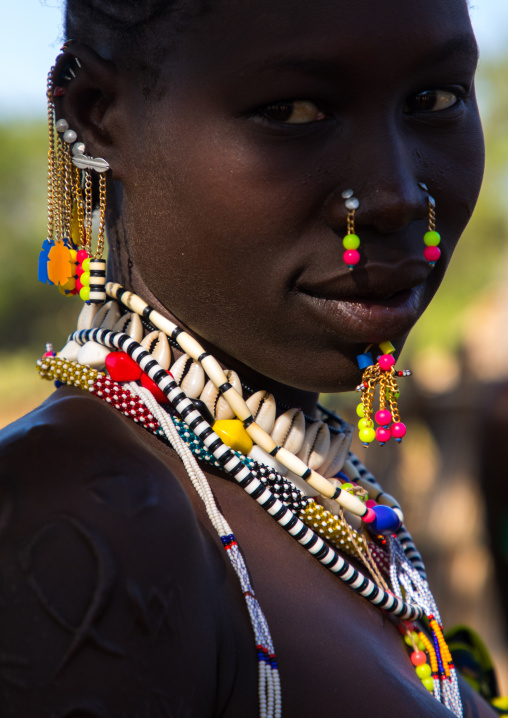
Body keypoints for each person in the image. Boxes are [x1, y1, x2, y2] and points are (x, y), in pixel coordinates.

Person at [0, 0, 498, 715]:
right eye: (294, 112)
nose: (394, 196)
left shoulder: (319, 498)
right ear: (98, 115)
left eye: (434, 99)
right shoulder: (82, 517)